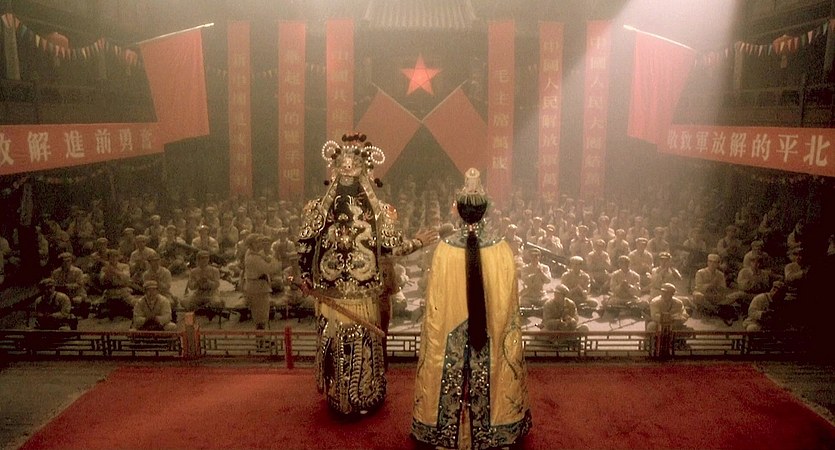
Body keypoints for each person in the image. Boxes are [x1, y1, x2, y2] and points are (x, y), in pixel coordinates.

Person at [298, 132, 438, 417]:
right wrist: (419, 242)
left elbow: (305, 245)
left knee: (337, 339)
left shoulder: (320, 209)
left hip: (333, 292)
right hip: (358, 293)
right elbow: (395, 248)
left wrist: (304, 275)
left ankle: (340, 396)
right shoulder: (377, 213)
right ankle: (359, 396)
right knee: (358, 342)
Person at [412, 168, 530, 449]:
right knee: (495, 364)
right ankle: (496, 432)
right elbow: (508, 302)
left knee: (447, 366)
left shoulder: (444, 249)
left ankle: (444, 434)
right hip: (489, 329)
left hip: (450, 330)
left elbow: (435, 302)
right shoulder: (501, 249)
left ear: (458, 211)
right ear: (486, 210)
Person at [244, 234, 277, 329]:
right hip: (258, 288)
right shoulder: (253, 258)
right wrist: (273, 259)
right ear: (251, 244)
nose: (260, 244)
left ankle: (261, 335)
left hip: (258, 286)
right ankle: (261, 336)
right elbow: (270, 269)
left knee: (261, 315)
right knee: (261, 316)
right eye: (257, 242)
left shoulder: (253, 254)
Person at [51, 252, 90, 318]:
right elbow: (53, 284)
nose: (66, 263)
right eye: (64, 261)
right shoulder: (56, 273)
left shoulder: (77, 271)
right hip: (62, 294)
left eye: (68, 261)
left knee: (77, 301)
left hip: (76, 293)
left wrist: (67, 286)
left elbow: (79, 284)